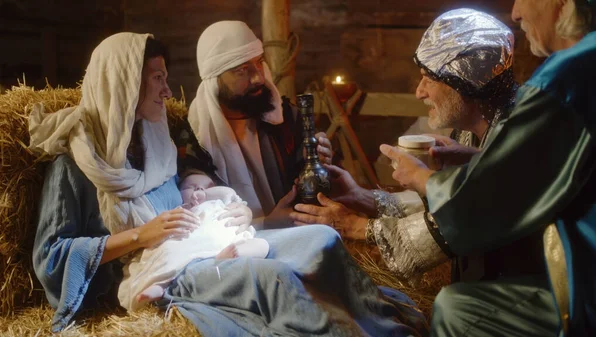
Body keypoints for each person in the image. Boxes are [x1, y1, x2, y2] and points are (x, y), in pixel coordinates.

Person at [29, 33, 428, 336]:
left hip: (205, 242)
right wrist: (139, 236)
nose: (168, 91)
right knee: (273, 278)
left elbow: (189, 190)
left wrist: (229, 207)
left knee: (320, 238)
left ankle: (377, 320)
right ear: (124, 84)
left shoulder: (156, 143)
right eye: (158, 78)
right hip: (163, 269)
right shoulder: (75, 167)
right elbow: (52, 256)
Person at [380, 0, 596, 335]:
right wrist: (474, 160)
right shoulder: (585, 67)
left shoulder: (569, 77)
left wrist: (421, 179)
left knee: (458, 309)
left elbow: (485, 204)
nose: (515, 13)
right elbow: (532, 171)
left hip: (587, 282)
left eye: (429, 77)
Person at [291, 8, 533, 284]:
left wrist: (355, 227)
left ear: (465, 82)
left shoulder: (519, 133)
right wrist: (362, 197)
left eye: (429, 78)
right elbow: (446, 206)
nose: (419, 91)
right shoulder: (470, 135)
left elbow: (453, 225)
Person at [178, 20, 333, 229]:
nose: (258, 77)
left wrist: (320, 160)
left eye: (259, 62)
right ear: (215, 80)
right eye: (242, 70)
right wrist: (266, 224)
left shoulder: (287, 118)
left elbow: (312, 190)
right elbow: (201, 221)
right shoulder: (193, 141)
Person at [122, 172, 270, 311]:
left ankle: (235, 252)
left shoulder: (223, 201)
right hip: (193, 240)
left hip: (228, 236)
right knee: (171, 254)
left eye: (209, 186)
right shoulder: (180, 210)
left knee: (262, 245)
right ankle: (159, 286)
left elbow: (228, 193)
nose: (199, 188)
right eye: (190, 187)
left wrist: (206, 193)